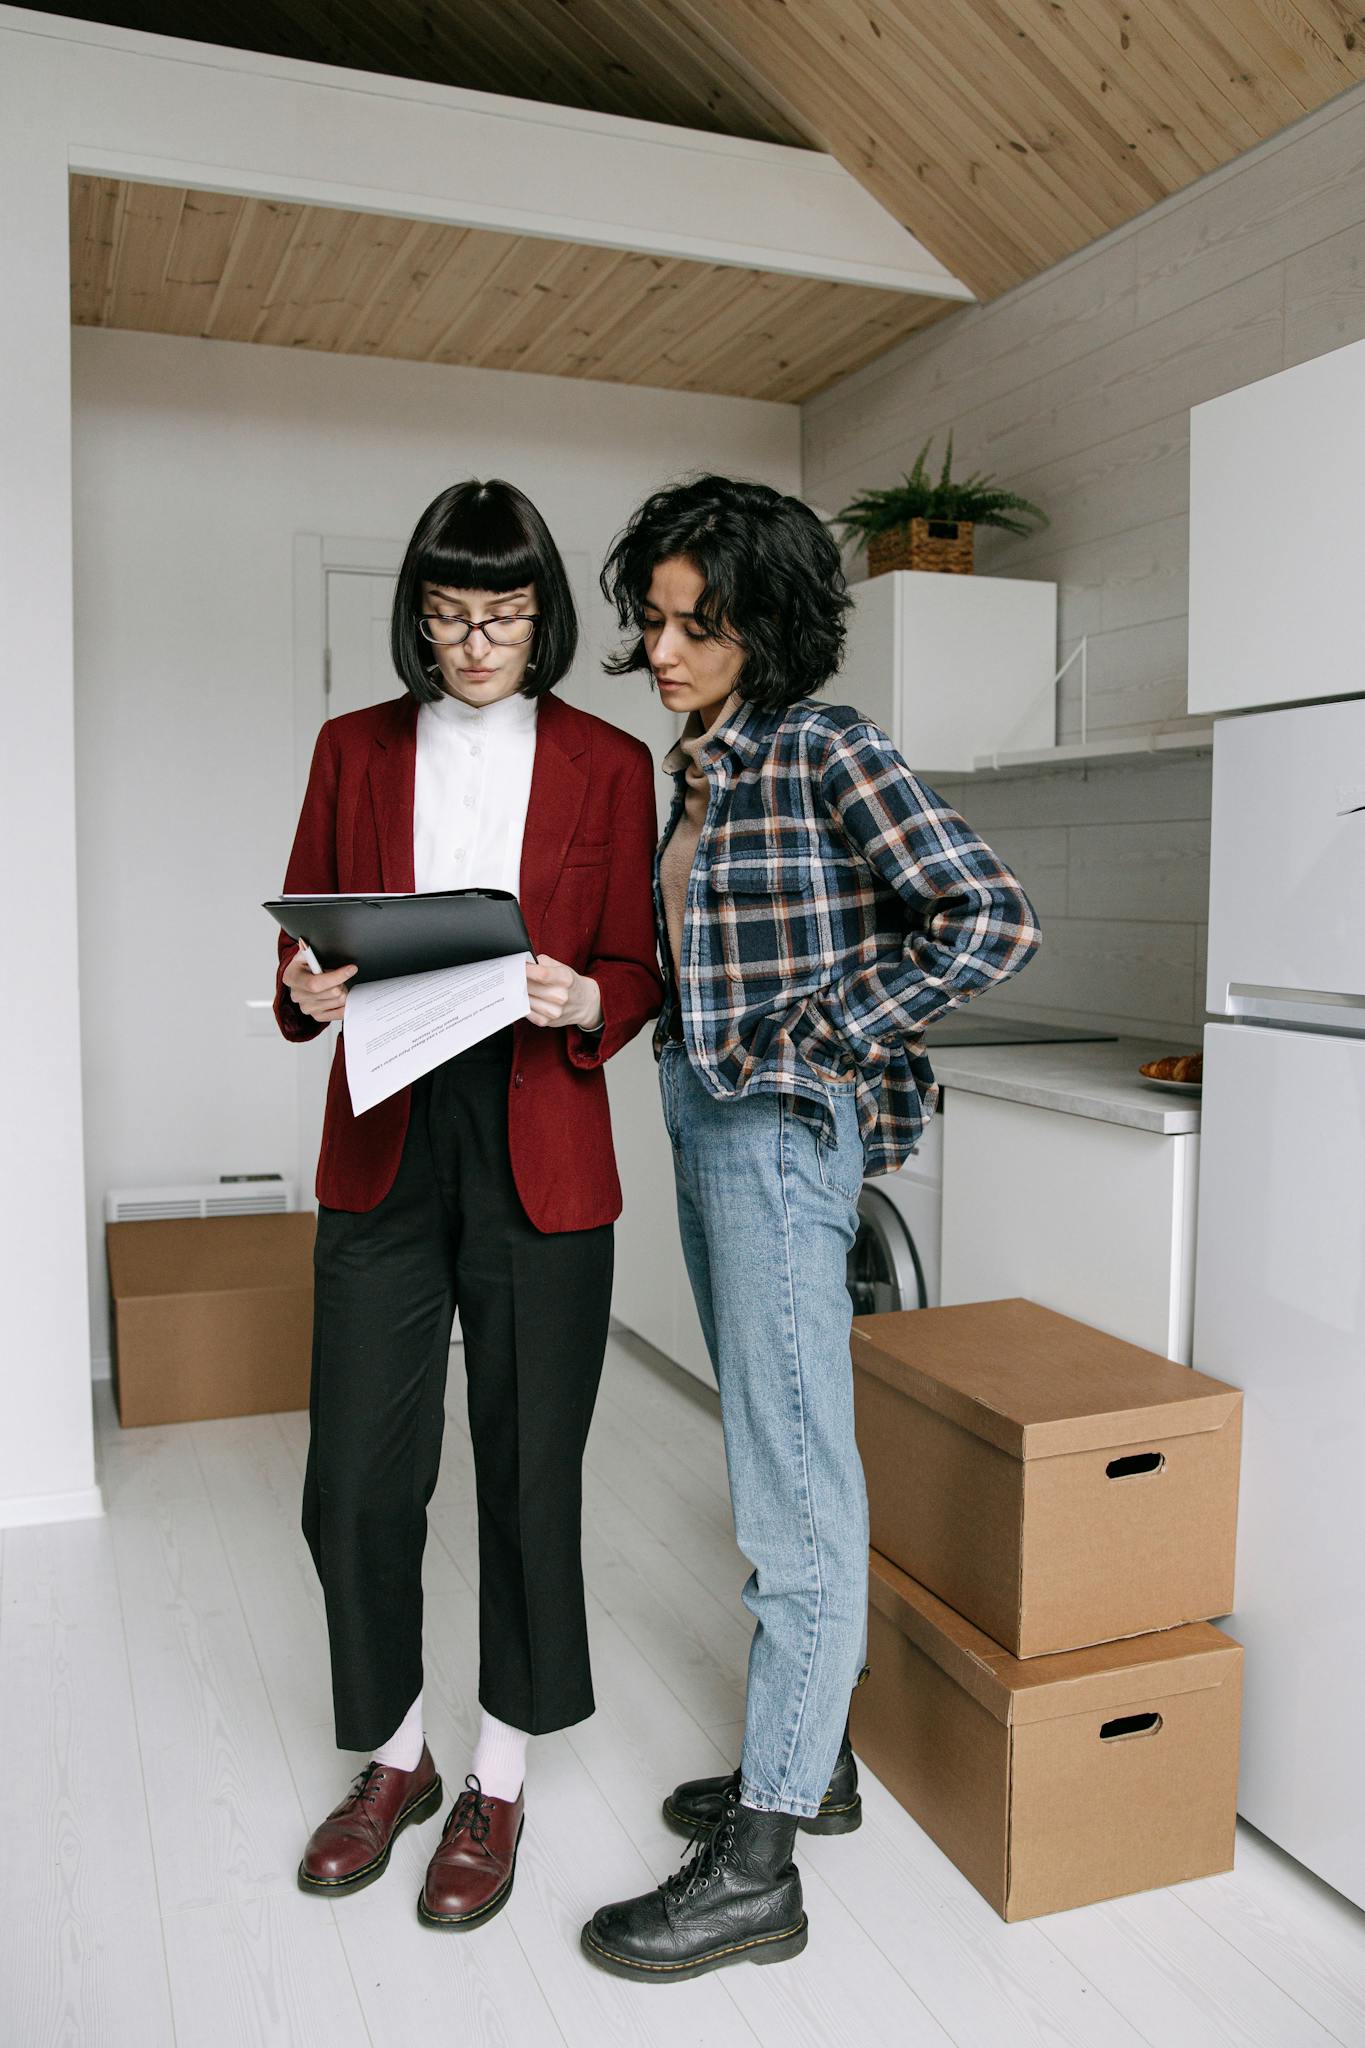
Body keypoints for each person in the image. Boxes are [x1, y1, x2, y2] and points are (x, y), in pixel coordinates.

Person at [581, 475, 1041, 1981]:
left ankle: (758, 1869)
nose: (660, 650)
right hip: (709, 1124)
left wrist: (814, 1042)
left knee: (794, 1492)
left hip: (775, 1136)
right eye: (649, 622)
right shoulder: (694, 765)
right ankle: (814, 1762)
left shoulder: (823, 748)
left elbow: (986, 917)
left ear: (761, 626)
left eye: (693, 627)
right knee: (764, 1449)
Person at [274, 478, 662, 1930]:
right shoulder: (350, 750)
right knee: (355, 1485)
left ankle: (498, 1778)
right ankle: (394, 1760)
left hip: (540, 1142)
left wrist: (585, 996)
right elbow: (304, 941)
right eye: (448, 616)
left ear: (545, 615)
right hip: (384, 1134)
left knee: (524, 1477)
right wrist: (305, 989)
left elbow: (633, 967)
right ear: (415, 616)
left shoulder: (610, 765)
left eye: (503, 615)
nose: (476, 643)